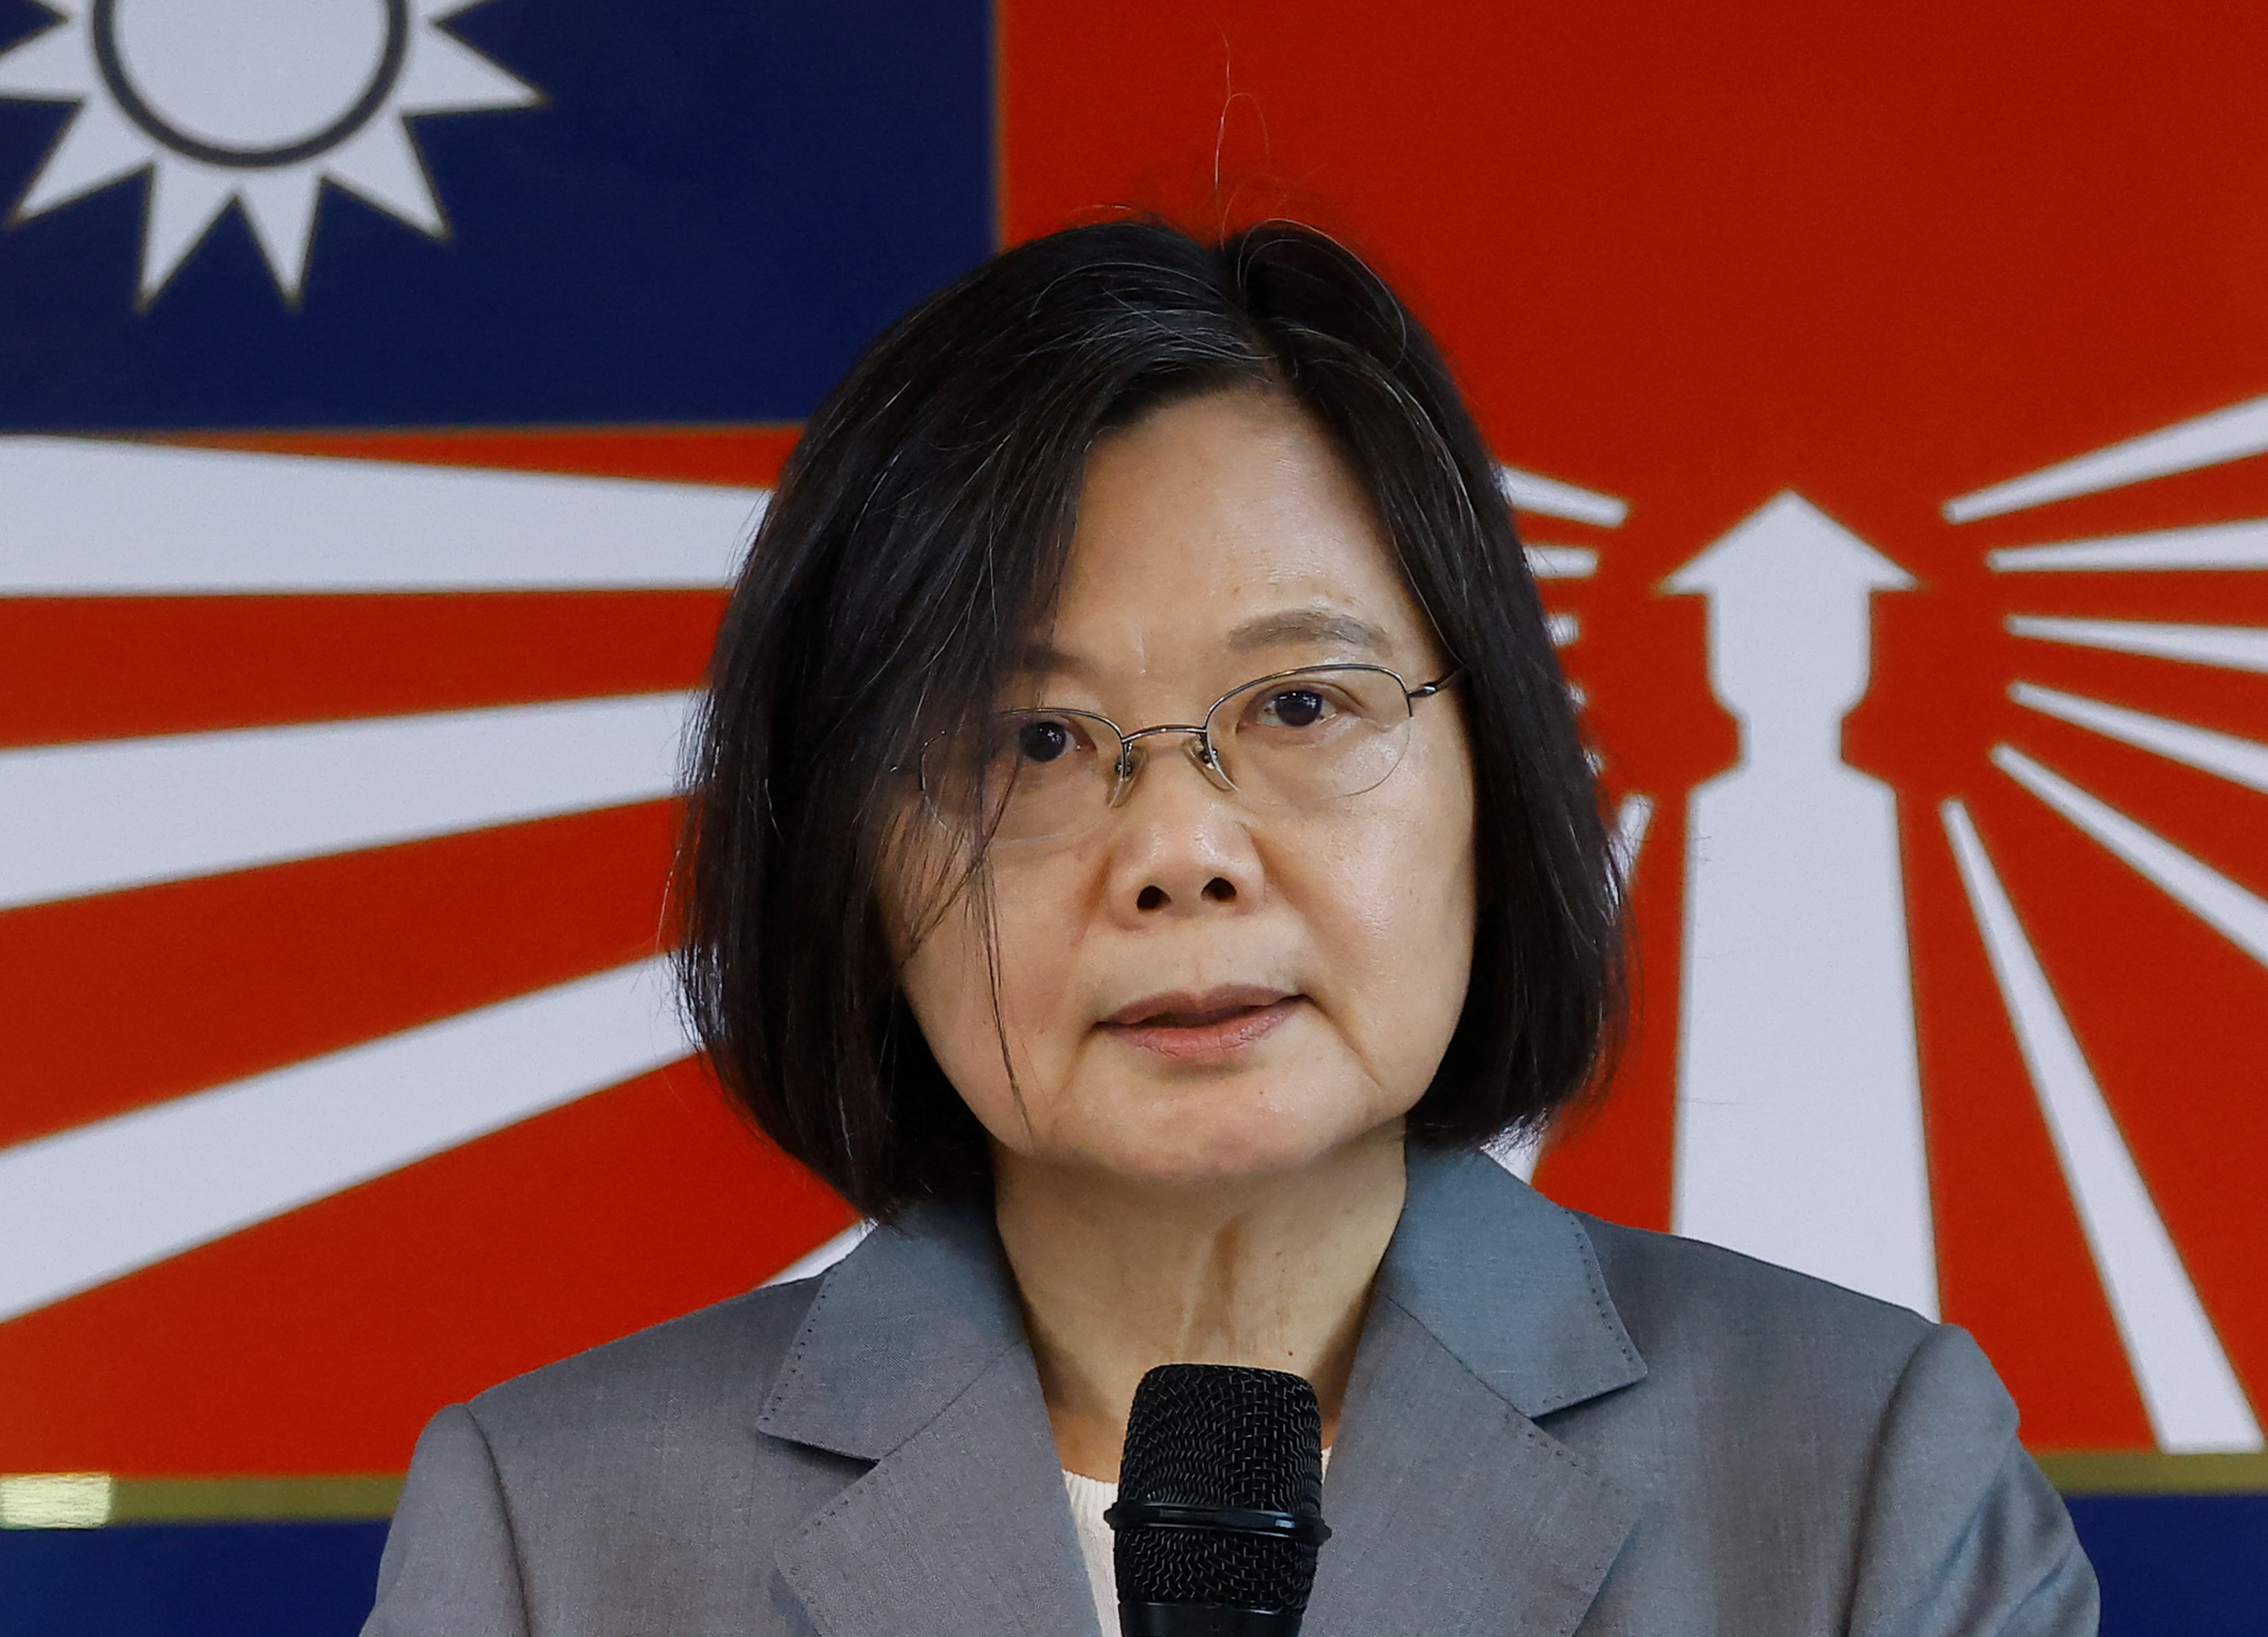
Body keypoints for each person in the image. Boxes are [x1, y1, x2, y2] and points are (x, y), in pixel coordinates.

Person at [359, 221, 2098, 1636]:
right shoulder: (555, 1540)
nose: (1181, 849)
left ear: (1492, 770)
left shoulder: (1860, 1476)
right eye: (1032, 743)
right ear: (850, 860)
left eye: (1301, 706)